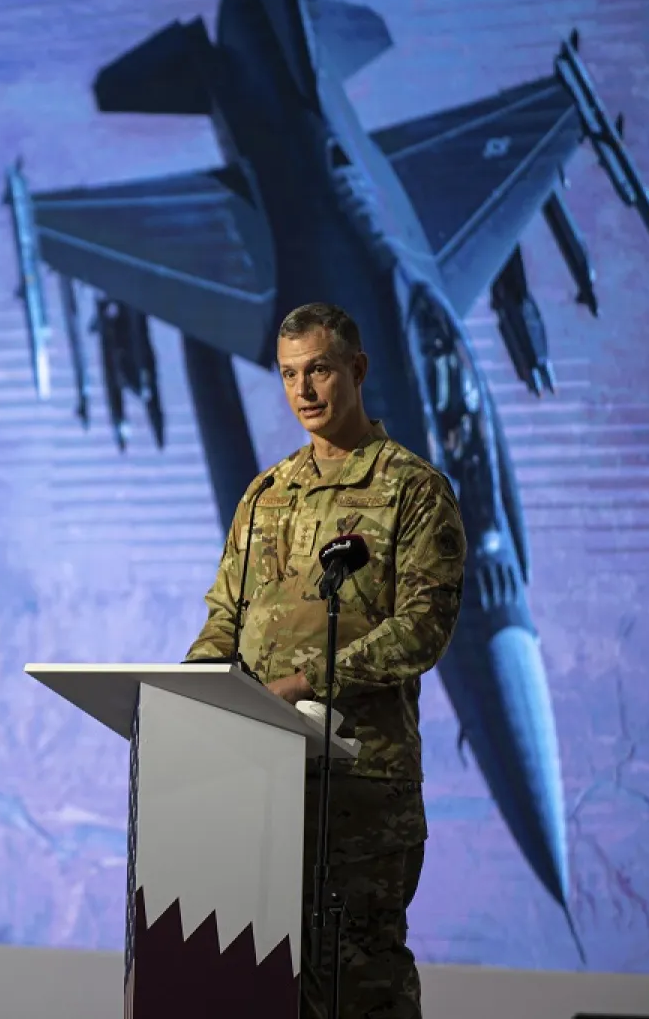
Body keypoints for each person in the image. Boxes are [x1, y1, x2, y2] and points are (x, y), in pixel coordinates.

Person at [185, 302, 466, 1019]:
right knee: (258, 987)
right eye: (288, 375)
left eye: (318, 370)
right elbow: (225, 617)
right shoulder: (266, 494)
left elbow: (422, 629)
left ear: (357, 370)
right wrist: (188, 698)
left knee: (359, 988)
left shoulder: (413, 490)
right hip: (260, 785)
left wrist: (300, 683)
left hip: (360, 787)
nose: (303, 390)